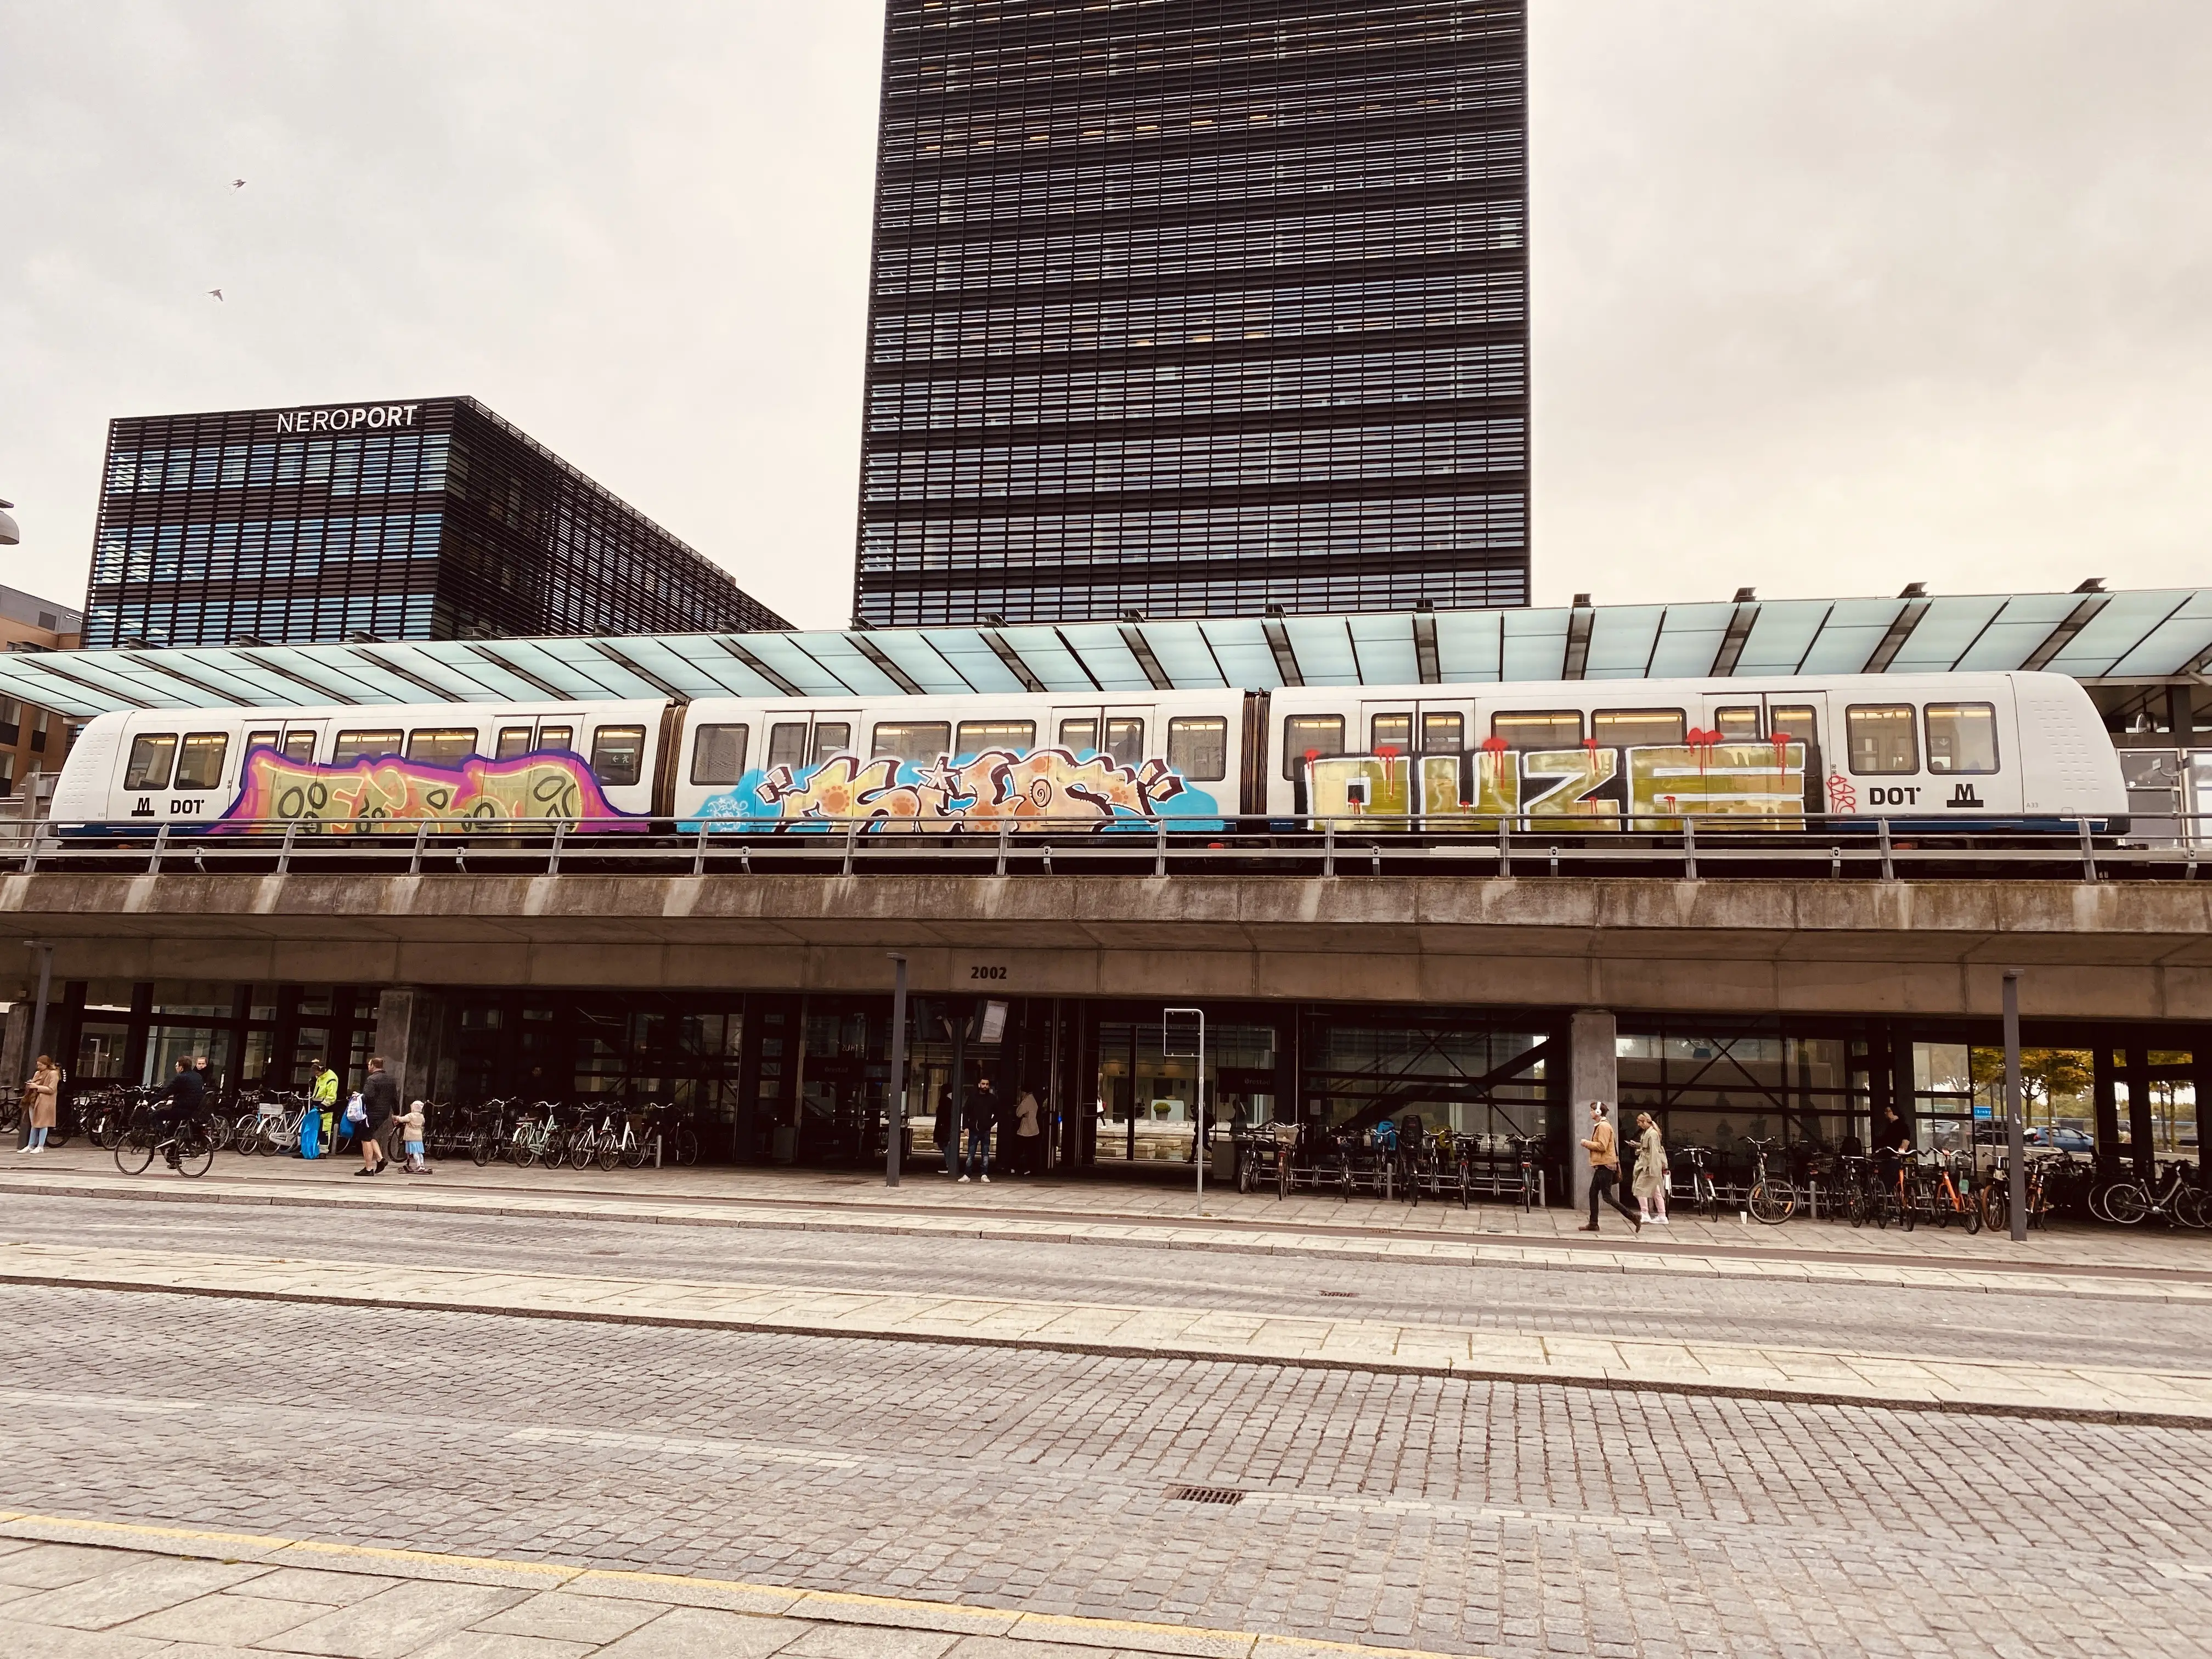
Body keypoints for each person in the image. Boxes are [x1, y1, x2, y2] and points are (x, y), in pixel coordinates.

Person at [1577, 1101, 1643, 1233]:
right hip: (1603, 1165)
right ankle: (1593, 1223)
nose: (1590, 1113)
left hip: (1606, 1166)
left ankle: (1633, 1217)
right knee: (1593, 1193)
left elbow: (1602, 1146)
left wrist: (1586, 1143)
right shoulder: (1601, 1126)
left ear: (1598, 1112)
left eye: (1591, 1110)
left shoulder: (1604, 1127)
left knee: (1607, 1197)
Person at [154, 1056, 208, 1166]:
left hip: (182, 1109)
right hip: (193, 1110)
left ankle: (164, 1141)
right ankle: (174, 1159)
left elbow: (167, 1091)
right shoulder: (197, 1076)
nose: (176, 1067)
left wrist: (150, 1102)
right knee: (172, 1129)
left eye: (177, 1065)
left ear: (181, 1067)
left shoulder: (181, 1078)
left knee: (155, 1115)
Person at [357, 1057, 399, 1177]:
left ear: (373, 1066)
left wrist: (359, 1097)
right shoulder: (391, 1080)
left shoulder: (372, 1079)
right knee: (371, 1136)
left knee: (365, 1138)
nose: (368, 1066)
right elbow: (395, 1099)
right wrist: (396, 1114)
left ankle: (369, 1168)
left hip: (371, 1113)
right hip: (384, 1113)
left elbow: (368, 1097)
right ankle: (381, 1160)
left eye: (369, 1064)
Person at [1630, 1111, 1669, 1224]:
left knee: (1639, 1188)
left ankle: (1645, 1213)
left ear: (1644, 1122)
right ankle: (1662, 1215)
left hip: (1649, 1166)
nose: (1639, 1125)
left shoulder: (1652, 1134)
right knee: (1655, 1191)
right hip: (1651, 1165)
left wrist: (1653, 1169)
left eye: (1639, 1123)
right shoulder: (1650, 1132)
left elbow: (1654, 1152)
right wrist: (1637, 1145)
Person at [18, 1054, 59, 1154]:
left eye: (41, 1065)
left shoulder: (53, 1074)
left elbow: (52, 1089)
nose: (39, 1067)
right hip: (34, 1100)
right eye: (38, 1065)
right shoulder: (38, 1073)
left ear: (46, 1064)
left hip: (45, 1101)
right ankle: (31, 1145)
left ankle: (40, 1146)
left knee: (43, 1123)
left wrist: (36, 1087)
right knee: (34, 1123)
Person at [961, 1074, 995, 1183]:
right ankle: (967, 1175)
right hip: (974, 1129)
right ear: (979, 1085)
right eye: (983, 1084)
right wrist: (965, 1126)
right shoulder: (973, 1097)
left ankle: (984, 1175)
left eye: (987, 1084)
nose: (985, 1086)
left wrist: (990, 1123)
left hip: (985, 1130)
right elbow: (966, 1112)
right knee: (971, 1154)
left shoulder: (992, 1099)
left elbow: (998, 1113)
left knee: (985, 1154)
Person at [1012, 1088, 1044, 1176]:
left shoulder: (1027, 1100)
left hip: (1026, 1129)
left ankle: (1016, 1167)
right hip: (1034, 1128)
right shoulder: (1034, 1099)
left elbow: (1018, 1113)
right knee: (1033, 1151)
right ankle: (1032, 1169)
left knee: (1019, 1149)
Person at [311, 1059, 340, 1156]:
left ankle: (323, 1152)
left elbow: (331, 1096)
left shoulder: (331, 1079)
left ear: (323, 1070)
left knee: (324, 1130)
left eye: (317, 1072)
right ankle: (309, 1149)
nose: (316, 1074)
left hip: (326, 1108)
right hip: (316, 1107)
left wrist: (323, 1105)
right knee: (313, 1128)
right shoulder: (321, 1076)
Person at [399, 1099, 432, 1175]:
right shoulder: (422, 1116)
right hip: (419, 1138)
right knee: (420, 1153)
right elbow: (423, 1122)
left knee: (415, 1152)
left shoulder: (410, 1116)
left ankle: (419, 1166)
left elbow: (402, 1119)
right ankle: (422, 1165)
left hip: (411, 1137)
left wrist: (395, 1117)